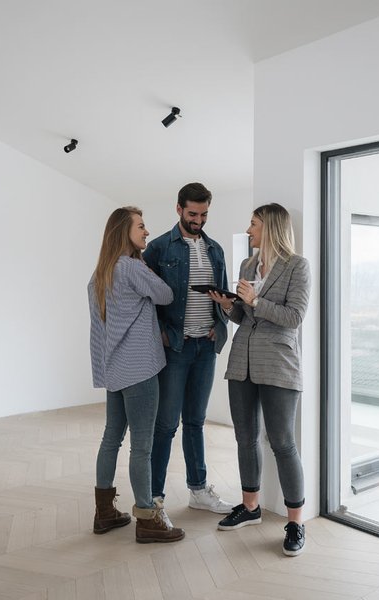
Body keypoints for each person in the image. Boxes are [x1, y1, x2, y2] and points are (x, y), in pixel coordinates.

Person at [207, 203, 310, 557]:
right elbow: (243, 315)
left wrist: (255, 299)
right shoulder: (248, 265)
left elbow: (294, 316)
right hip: (242, 364)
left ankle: (296, 522)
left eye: (253, 225)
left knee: (282, 442)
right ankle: (250, 507)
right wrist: (227, 305)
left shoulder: (298, 266)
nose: (248, 230)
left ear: (270, 227)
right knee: (245, 438)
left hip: (279, 364)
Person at [88, 206, 185, 544]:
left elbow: (98, 330)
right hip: (141, 370)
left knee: (111, 439)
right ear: (123, 232)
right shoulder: (131, 268)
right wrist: (147, 268)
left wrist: (103, 372)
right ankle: (147, 518)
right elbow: (166, 294)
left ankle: (104, 512)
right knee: (141, 448)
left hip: (114, 370)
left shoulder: (99, 275)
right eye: (141, 227)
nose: (146, 232)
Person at [143, 182, 235, 519]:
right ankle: (153, 501)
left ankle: (198, 490)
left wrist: (221, 317)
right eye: (193, 213)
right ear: (179, 209)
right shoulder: (157, 249)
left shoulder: (215, 250)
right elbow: (144, 300)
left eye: (204, 214)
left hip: (205, 347)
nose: (198, 220)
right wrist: (162, 335)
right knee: (165, 425)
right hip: (175, 348)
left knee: (196, 421)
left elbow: (222, 298)